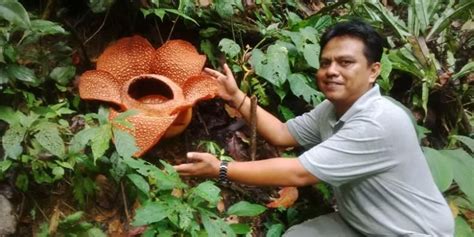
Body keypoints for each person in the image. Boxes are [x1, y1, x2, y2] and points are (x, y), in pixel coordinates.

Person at [174, 20, 454, 236]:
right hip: (361, 223)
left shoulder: (380, 121)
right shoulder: (332, 109)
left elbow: (299, 172)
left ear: (373, 71)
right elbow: (283, 135)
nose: (331, 70)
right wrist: (238, 98)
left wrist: (221, 169)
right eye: (325, 62)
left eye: (345, 62)